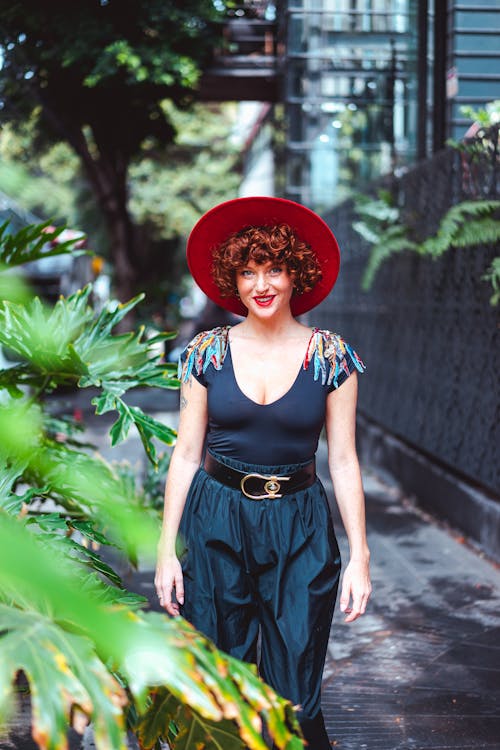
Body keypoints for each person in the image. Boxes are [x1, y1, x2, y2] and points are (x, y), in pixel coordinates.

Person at [155, 196, 372, 749]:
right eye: (247, 271)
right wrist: (164, 551)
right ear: (234, 280)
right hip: (217, 519)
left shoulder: (332, 357)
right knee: (218, 681)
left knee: (296, 687)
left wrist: (361, 556)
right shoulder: (205, 354)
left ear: (295, 271)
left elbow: (343, 460)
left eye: (273, 267)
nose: (261, 284)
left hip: (300, 524)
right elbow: (185, 453)